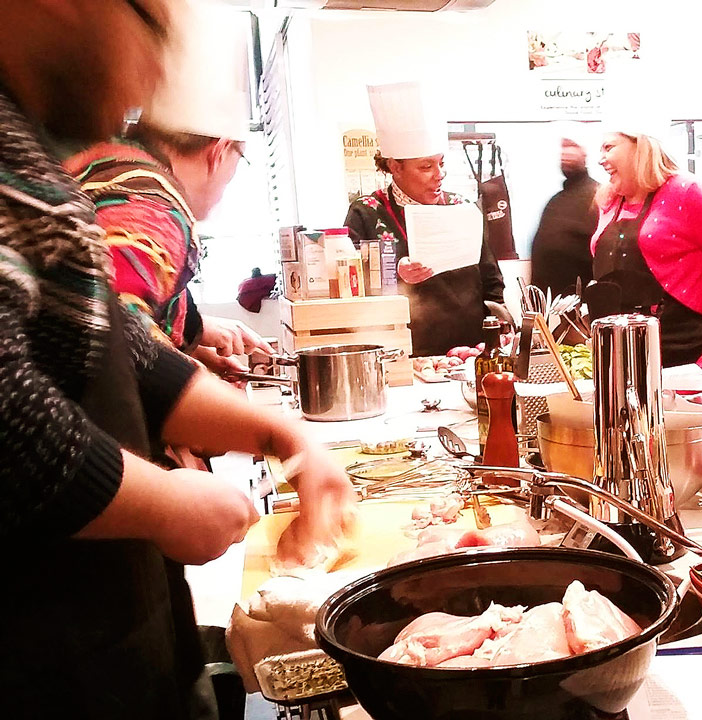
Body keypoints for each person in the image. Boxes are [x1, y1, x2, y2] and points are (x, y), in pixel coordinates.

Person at [0, 3, 356, 716]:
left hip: (110, 644)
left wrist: (283, 435)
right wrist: (166, 504)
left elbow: (112, 340)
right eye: (148, 28)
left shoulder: (33, 159)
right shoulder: (142, 196)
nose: (151, 74)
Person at [66, 2, 272, 377]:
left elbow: (120, 294)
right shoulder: (154, 208)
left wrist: (197, 339)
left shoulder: (110, 163)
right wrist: (200, 390)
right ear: (219, 152)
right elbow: (115, 338)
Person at [345, 79, 505, 357]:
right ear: (395, 167)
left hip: (470, 350)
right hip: (405, 350)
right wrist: (395, 274)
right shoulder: (367, 212)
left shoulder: (462, 207)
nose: (439, 174)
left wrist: (497, 329)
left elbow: (491, 278)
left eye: (441, 163)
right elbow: (352, 288)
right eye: (426, 166)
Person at [592, 120, 702, 367]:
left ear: (640, 145)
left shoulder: (684, 191)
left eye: (609, 147)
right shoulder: (610, 200)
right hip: (618, 353)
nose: (600, 159)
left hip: (679, 353)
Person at [529, 124, 599, 297]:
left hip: (583, 304)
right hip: (548, 304)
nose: (566, 154)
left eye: (572, 146)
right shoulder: (556, 200)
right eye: (563, 148)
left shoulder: (599, 197)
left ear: (585, 153)